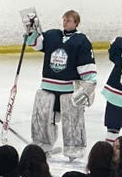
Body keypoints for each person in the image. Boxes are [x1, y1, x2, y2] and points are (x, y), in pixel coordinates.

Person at [25, 9, 97, 161]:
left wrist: (88, 86)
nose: (65, 22)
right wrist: (31, 31)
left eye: (69, 20)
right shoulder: (52, 35)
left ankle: (74, 150)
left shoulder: (81, 41)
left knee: (72, 121)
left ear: (76, 23)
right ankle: (43, 146)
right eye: (64, 19)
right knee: (44, 119)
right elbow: (35, 43)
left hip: (68, 89)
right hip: (48, 87)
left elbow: (87, 66)